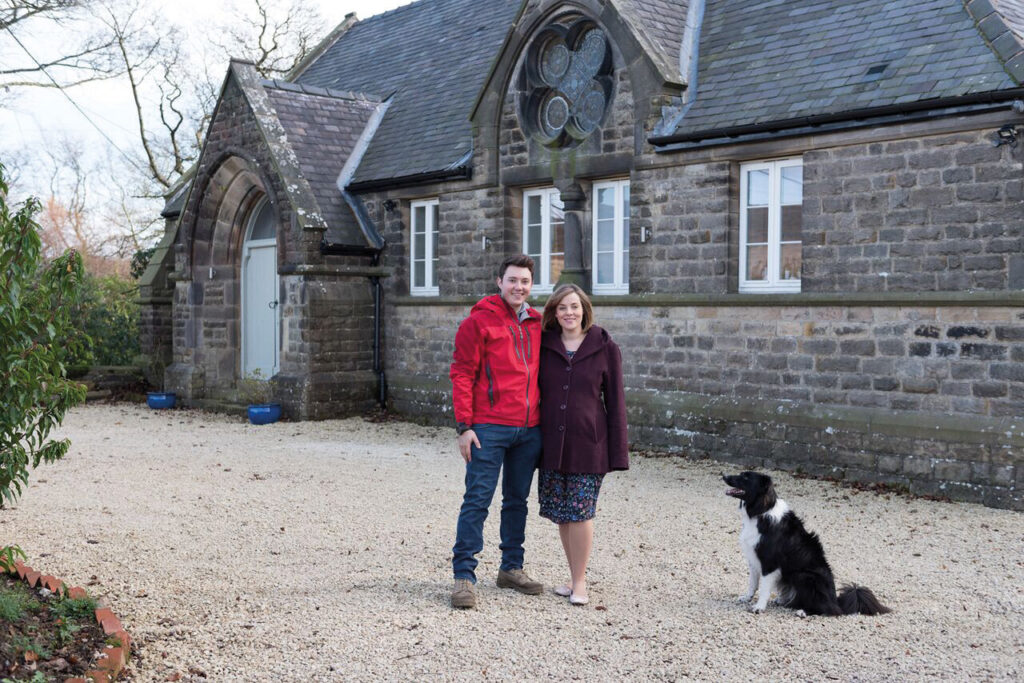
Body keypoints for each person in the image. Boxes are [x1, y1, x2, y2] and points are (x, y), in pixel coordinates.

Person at [448, 254, 545, 609]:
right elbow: (461, 373)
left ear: (531, 285)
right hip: (488, 427)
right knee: (477, 500)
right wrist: (465, 427)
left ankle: (511, 569)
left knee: (517, 501)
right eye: (512, 280)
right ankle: (464, 576)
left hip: (529, 430)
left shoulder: (537, 322)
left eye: (525, 281)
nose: (518, 287)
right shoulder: (478, 322)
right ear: (499, 282)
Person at [537, 283, 628, 606]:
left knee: (580, 513)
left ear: (584, 309)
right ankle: (573, 574)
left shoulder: (605, 347)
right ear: (554, 312)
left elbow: (616, 402)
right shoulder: (544, 345)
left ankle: (580, 582)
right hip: (551, 444)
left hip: (589, 445)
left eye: (574, 306)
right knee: (563, 514)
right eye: (562, 307)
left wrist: (618, 452)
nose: (569, 313)